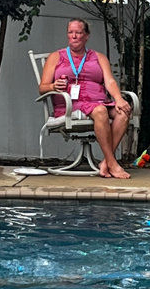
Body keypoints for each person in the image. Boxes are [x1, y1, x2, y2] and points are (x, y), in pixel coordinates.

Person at [39, 18, 132, 179]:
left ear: (86, 35)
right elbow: (42, 88)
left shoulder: (99, 57)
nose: (74, 36)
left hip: (98, 101)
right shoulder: (56, 57)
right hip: (70, 105)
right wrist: (54, 86)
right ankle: (113, 163)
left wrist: (119, 99)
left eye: (78, 32)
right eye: (70, 32)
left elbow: (110, 81)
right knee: (101, 111)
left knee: (122, 112)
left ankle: (105, 162)